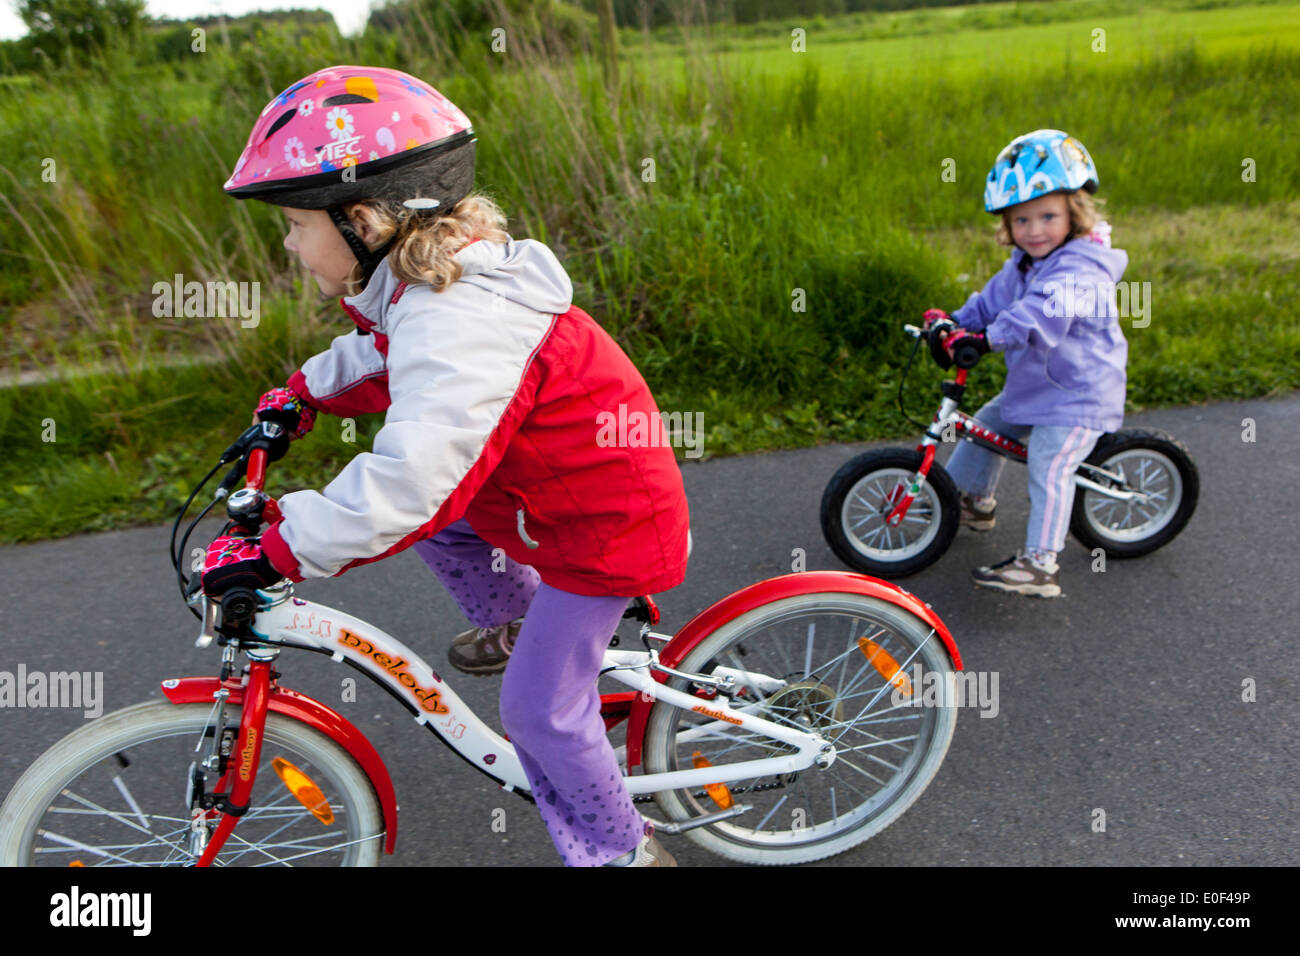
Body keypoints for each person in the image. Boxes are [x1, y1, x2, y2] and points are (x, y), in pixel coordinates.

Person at [200, 65, 690, 866]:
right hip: (544, 496)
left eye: (293, 225)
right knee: (447, 526)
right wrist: (301, 396)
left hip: (602, 530)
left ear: (362, 218)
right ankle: (520, 621)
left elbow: (412, 478)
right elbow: (390, 358)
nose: (289, 247)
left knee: (539, 713)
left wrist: (280, 545)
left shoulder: (464, 316)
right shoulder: (425, 283)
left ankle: (622, 851)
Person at [925, 129, 1128, 598]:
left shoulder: (1081, 269)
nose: (1033, 229)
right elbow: (992, 301)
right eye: (1021, 219)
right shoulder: (1023, 263)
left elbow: (1041, 315)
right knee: (988, 425)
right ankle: (970, 501)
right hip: (1038, 384)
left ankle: (1041, 564)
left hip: (1079, 392)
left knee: (1049, 463)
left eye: (1047, 216)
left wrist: (988, 339)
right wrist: (954, 322)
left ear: (1074, 214)